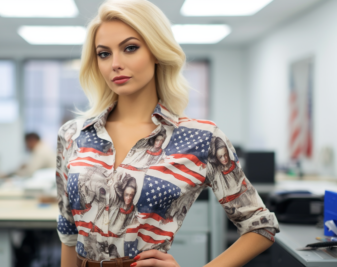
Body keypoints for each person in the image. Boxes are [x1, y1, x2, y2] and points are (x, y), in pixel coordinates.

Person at [55, 1, 280, 267]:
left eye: (130, 48)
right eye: (104, 53)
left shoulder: (201, 138)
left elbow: (260, 226)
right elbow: (69, 234)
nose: (115, 64)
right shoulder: (72, 134)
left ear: (157, 51)